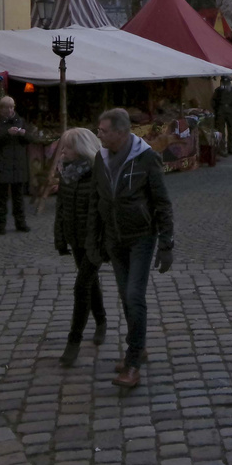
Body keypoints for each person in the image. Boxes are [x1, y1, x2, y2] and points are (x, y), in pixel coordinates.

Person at [90, 108, 173, 389]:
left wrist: (166, 243)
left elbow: (161, 202)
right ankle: (140, 346)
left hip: (141, 236)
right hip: (114, 239)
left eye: (103, 130)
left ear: (121, 132)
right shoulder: (99, 160)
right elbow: (97, 202)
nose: (99, 134)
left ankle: (133, 361)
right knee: (126, 297)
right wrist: (96, 242)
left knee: (135, 295)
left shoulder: (146, 158)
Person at [49, 127, 107, 366]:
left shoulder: (98, 172)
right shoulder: (65, 172)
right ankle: (101, 320)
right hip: (76, 238)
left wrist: (103, 241)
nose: (63, 151)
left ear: (82, 148)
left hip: (95, 241)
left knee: (81, 286)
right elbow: (61, 208)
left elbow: (104, 210)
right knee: (90, 283)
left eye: (68, 147)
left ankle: (74, 341)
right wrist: (60, 238)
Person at [0, 95, 44, 234]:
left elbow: (31, 139)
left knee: (18, 197)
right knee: (1, 198)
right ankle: (0, 225)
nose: (10, 110)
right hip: (1, 164)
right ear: (1, 108)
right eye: (7, 107)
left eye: (12, 107)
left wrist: (23, 134)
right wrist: (7, 134)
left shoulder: (20, 120)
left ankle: (21, 223)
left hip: (18, 165)